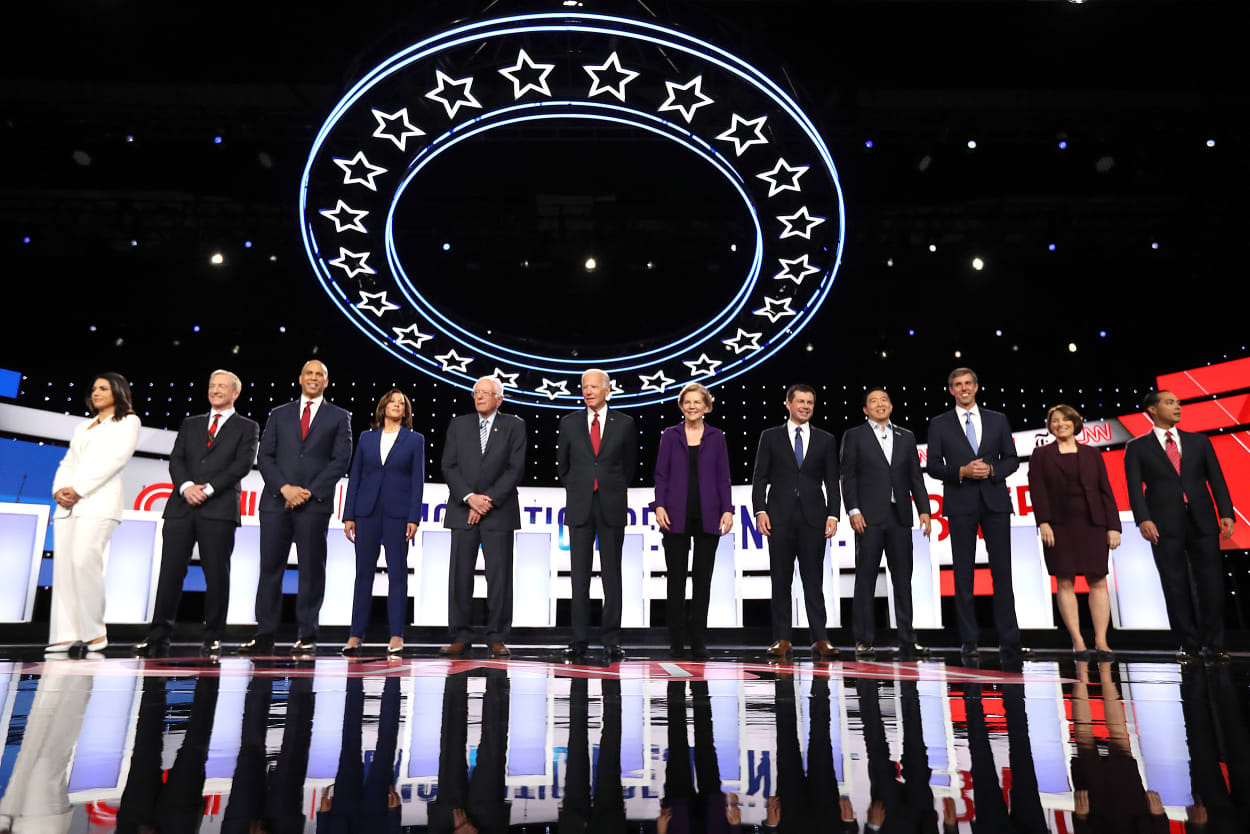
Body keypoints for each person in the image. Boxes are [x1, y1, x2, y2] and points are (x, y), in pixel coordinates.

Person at [135, 369, 259, 658]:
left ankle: (213, 638)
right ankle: (157, 638)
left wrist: (209, 489)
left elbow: (241, 465)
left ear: (235, 393)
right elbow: (177, 459)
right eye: (212, 385)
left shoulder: (247, 426)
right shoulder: (191, 424)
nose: (215, 390)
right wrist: (188, 486)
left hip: (219, 509)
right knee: (169, 574)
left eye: (222, 386)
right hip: (181, 508)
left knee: (216, 575)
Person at [240, 359, 352, 656]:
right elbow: (265, 456)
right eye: (310, 373)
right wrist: (284, 488)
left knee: (311, 571)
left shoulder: (340, 417)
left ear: (326, 382)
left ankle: (307, 635)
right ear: (300, 378)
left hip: (313, 505)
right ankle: (264, 634)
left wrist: (309, 492)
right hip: (276, 502)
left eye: (320, 374)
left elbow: (340, 461)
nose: (314, 378)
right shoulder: (279, 414)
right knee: (270, 568)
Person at [1123, 390, 1235, 662]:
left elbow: (1216, 479)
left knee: (1211, 582)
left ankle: (1214, 643)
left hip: (1203, 519)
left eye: (1178, 402)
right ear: (1152, 409)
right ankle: (1188, 644)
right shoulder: (1136, 447)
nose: (1177, 407)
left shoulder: (1199, 442)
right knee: (1174, 583)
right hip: (1163, 523)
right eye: (1170, 402)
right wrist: (1143, 519)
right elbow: (1134, 489)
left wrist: (1226, 512)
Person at [925, 367, 1023, 664]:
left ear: (977, 387)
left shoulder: (998, 419)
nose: (964, 388)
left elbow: (1012, 459)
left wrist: (992, 470)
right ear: (951, 390)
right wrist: (961, 472)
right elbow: (932, 465)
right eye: (958, 385)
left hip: (994, 501)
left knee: (1002, 573)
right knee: (963, 575)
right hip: (960, 502)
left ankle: (1010, 639)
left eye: (968, 383)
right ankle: (969, 641)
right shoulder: (939, 423)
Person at [48, 371, 141, 656]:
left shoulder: (128, 422)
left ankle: (94, 632)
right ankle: (65, 634)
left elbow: (116, 461)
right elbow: (67, 461)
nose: (96, 392)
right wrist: (59, 490)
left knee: (83, 562)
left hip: (98, 503)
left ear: (117, 392)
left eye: (103, 388)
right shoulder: (83, 427)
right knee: (64, 568)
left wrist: (79, 489)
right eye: (94, 388)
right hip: (68, 507)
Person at [840, 387, 932, 659]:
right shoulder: (854, 435)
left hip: (900, 517)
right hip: (867, 518)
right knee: (866, 579)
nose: (880, 405)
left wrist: (924, 510)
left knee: (903, 579)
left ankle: (907, 639)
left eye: (884, 400)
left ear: (891, 407)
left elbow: (916, 477)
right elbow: (848, 476)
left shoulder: (906, 436)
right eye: (873, 402)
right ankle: (864, 640)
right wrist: (853, 510)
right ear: (865, 410)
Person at [750, 383, 840, 660]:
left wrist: (833, 514)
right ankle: (782, 639)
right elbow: (760, 478)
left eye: (810, 402)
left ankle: (820, 639)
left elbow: (831, 481)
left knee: (813, 580)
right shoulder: (770, 437)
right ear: (788, 404)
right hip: (779, 518)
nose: (805, 406)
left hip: (813, 518)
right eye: (800, 401)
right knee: (780, 580)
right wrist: (760, 511)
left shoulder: (825, 439)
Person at [439, 376, 526, 658]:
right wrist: (469, 498)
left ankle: (497, 636)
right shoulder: (457, 424)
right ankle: (460, 636)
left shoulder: (514, 425)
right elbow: (449, 466)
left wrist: (487, 501)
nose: (479, 397)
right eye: (476, 393)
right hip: (462, 510)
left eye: (486, 393)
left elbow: (515, 469)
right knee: (460, 576)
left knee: (499, 578)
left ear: (499, 398)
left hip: (498, 512)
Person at [1028, 404, 1122, 659]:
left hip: (1093, 523)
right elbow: (1037, 491)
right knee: (1065, 581)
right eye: (1055, 421)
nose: (1060, 424)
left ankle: (1101, 641)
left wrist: (1113, 526)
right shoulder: (1041, 455)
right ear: (1050, 427)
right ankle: (1078, 641)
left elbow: (1106, 490)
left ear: (1075, 423)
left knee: (1098, 581)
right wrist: (1043, 522)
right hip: (1059, 525)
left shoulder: (1092, 454)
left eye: (1065, 420)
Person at [557, 369, 637, 660]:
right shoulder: (568, 423)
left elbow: (629, 466)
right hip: (579, 506)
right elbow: (562, 467)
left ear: (607, 390)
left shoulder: (625, 423)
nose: (588, 391)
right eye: (584, 387)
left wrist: (607, 487)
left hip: (611, 505)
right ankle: (578, 640)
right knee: (579, 577)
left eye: (593, 387)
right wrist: (581, 488)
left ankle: (611, 640)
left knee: (611, 575)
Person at [652, 382, 734, 659]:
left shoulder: (717, 436)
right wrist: (659, 505)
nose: (691, 406)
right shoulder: (670, 435)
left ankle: (698, 640)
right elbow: (661, 474)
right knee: (675, 580)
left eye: (697, 402)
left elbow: (724, 477)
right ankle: (675, 640)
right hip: (674, 515)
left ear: (707, 407)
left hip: (708, 515)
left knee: (703, 580)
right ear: (681, 405)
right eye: (687, 402)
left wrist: (728, 509)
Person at [341, 389, 424, 657]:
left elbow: (416, 481)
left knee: (397, 576)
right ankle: (355, 636)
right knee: (363, 575)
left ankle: (397, 636)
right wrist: (349, 515)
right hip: (366, 513)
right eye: (393, 402)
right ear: (383, 407)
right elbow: (355, 477)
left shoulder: (414, 440)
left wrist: (413, 517)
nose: (397, 406)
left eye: (402, 403)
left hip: (398, 515)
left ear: (406, 411)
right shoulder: (366, 438)